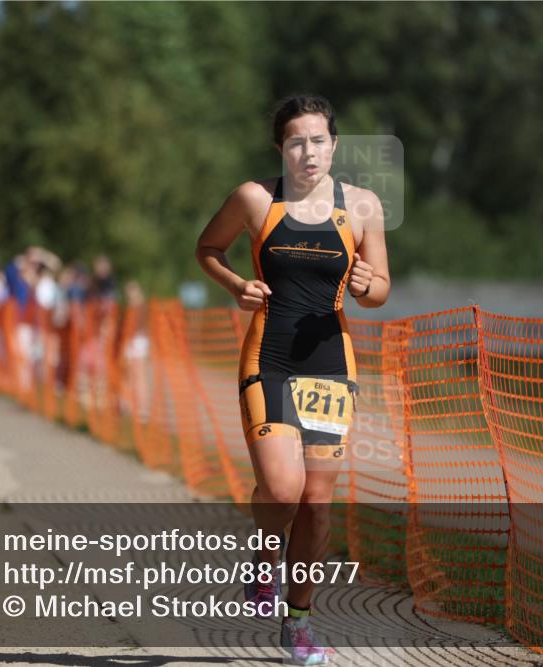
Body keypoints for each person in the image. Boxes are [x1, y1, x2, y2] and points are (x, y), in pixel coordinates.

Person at [196, 94, 389, 665]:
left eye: (319, 140)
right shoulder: (255, 200)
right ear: (280, 147)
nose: (309, 152)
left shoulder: (362, 207)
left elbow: (380, 290)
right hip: (270, 356)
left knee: (316, 503)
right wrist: (235, 286)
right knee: (281, 491)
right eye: (296, 141)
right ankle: (262, 563)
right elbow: (208, 248)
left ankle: (298, 624)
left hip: (331, 363)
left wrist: (364, 285)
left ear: (334, 144)